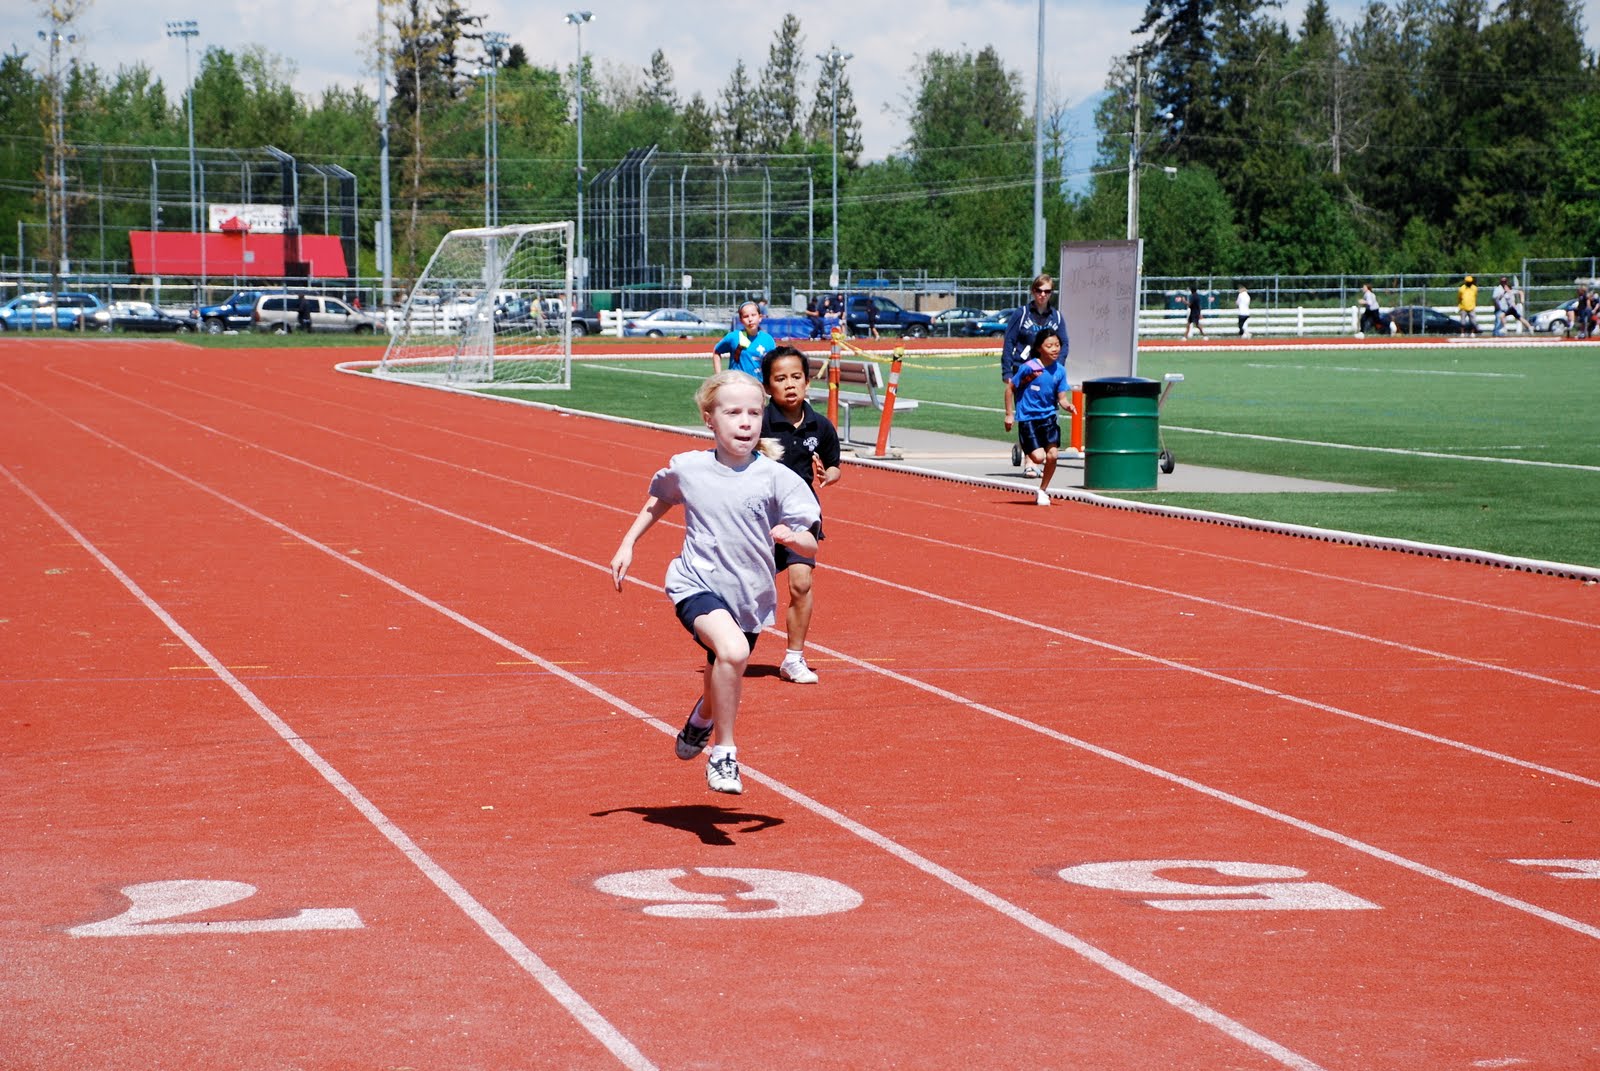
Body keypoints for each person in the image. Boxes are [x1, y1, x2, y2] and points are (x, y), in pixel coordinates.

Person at [610, 371, 821, 795]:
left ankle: (704, 716)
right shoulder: (689, 468)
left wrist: (794, 537)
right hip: (695, 582)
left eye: (754, 413)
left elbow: (810, 542)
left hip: (750, 595)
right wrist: (628, 543)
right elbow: (661, 499)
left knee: (725, 666)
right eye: (733, 412)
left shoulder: (778, 478)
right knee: (733, 651)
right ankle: (724, 753)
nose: (745, 422)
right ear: (709, 418)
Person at [759, 345, 842, 685]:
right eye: (780, 379)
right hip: (758, 516)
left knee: (800, 582)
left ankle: (794, 658)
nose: (790, 384)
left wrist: (829, 475)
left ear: (808, 382)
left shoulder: (819, 426)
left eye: (796, 377)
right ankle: (728, 644)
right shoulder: (757, 422)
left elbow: (835, 465)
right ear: (767, 386)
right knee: (747, 588)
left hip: (799, 516)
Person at [1001, 274, 1067, 476]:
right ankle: (1030, 461)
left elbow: (1064, 343)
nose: (1043, 295)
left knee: (1045, 409)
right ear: (1033, 291)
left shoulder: (1055, 317)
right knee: (1029, 408)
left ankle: (1034, 450)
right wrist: (1006, 370)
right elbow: (1009, 341)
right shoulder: (1021, 314)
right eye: (1039, 291)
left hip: (1047, 372)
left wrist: (1057, 367)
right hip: (1025, 369)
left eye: (1047, 291)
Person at [1010, 327, 1075, 506]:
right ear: (1039, 348)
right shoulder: (1029, 368)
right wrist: (1009, 414)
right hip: (1028, 417)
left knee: (1053, 456)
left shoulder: (1060, 371)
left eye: (1057, 345)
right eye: (1049, 346)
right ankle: (1024, 445)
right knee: (1038, 458)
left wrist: (1068, 405)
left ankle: (1043, 490)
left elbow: (1061, 398)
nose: (1055, 349)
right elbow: (1010, 388)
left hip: (1048, 417)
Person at [711, 300, 777, 376]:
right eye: (746, 316)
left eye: (753, 315)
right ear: (741, 320)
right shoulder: (734, 337)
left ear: (760, 317)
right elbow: (716, 351)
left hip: (759, 385)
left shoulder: (768, 340)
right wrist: (718, 376)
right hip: (737, 384)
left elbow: (774, 364)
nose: (750, 319)